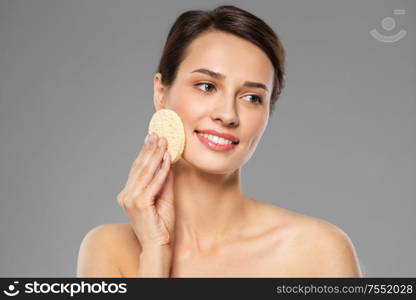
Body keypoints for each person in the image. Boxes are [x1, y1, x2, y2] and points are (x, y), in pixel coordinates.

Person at [77, 5, 362, 278]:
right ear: (161, 93)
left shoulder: (318, 251)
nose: (228, 115)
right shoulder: (109, 250)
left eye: (252, 98)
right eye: (207, 86)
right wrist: (155, 251)